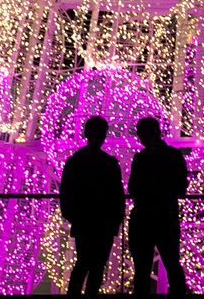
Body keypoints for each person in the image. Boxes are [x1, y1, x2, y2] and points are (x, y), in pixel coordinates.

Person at [59, 116, 126, 295]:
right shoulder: (109, 163)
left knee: (82, 264)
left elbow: (66, 192)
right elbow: (117, 195)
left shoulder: (75, 161)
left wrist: (73, 215)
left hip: (84, 221)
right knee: (96, 267)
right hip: (103, 223)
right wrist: (115, 221)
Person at [128, 117, 188, 296]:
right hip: (166, 216)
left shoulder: (141, 158)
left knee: (142, 268)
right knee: (172, 264)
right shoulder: (174, 155)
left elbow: (133, 188)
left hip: (144, 218)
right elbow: (181, 187)